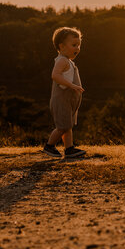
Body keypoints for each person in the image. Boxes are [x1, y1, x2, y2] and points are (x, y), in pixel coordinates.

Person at [43, 27, 87, 159]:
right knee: (62, 126)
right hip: (61, 99)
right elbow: (55, 76)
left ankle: (69, 149)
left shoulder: (69, 62)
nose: (77, 48)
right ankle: (49, 146)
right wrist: (72, 85)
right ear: (61, 47)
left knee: (68, 126)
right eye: (74, 45)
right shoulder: (62, 60)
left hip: (68, 101)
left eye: (79, 45)